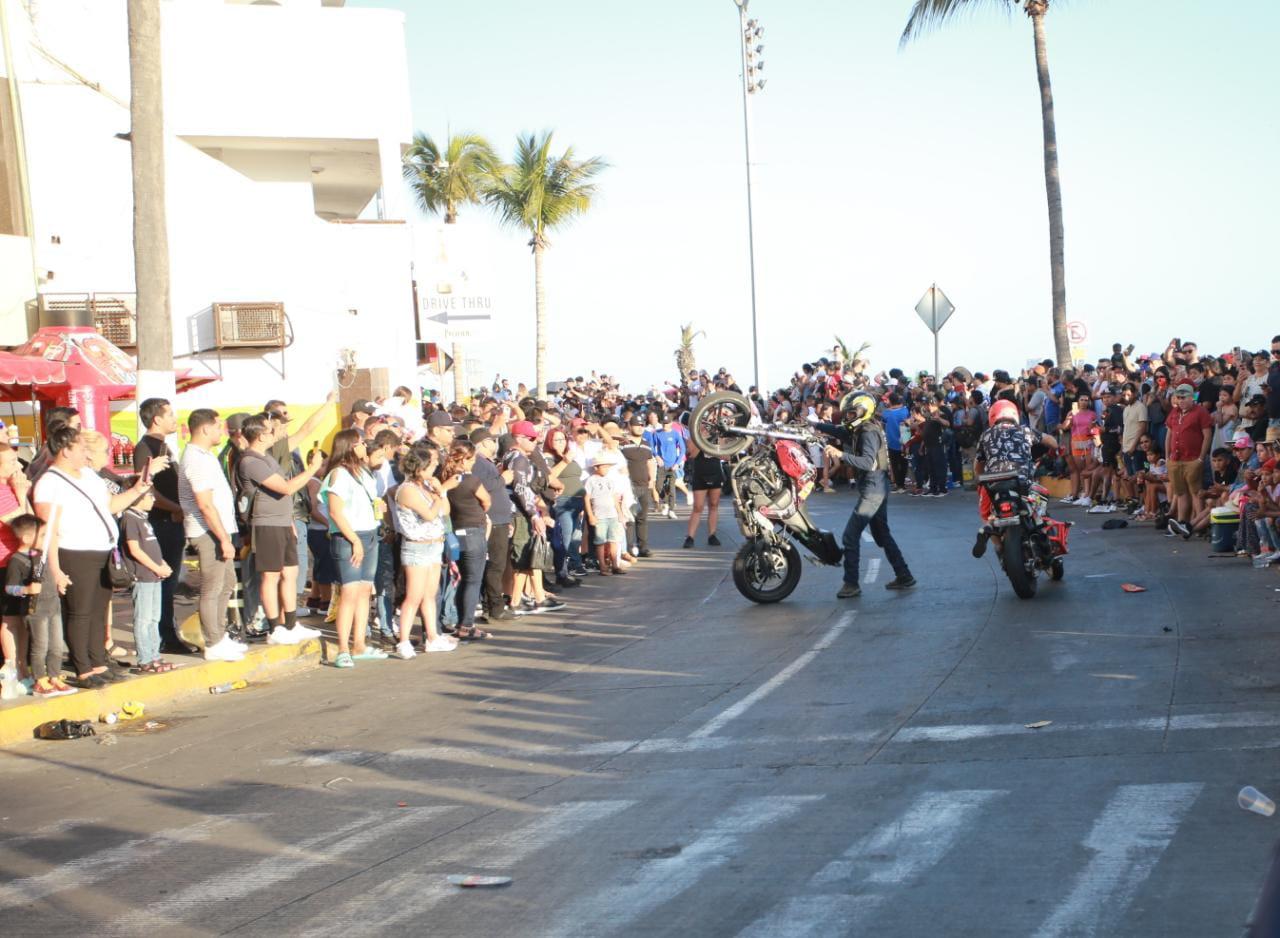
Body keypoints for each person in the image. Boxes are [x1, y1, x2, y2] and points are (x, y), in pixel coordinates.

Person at [34, 426, 157, 688]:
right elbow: (49, 531)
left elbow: (110, 505)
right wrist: (55, 570)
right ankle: (83, 668)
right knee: (80, 611)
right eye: (80, 448)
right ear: (65, 450)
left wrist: (137, 491)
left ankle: (98, 661)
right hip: (74, 552)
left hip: (103, 550)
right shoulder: (50, 483)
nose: (85, 453)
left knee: (99, 610)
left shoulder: (89, 476)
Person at [236, 414, 324, 645]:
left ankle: (291, 624)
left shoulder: (266, 457)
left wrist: (290, 522)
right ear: (260, 435)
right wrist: (313, 469)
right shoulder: (250, 461)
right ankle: (275, 628)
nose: (274, 432)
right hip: (266, 524)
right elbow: (285, 487)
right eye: (269, 429)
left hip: (283, 522)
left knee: (291, 573)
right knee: (271, 575)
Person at [820, 392, 916, 598]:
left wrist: (840, 455)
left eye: (851, 413)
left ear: (863, 412)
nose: (847, 417)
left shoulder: (868, 432)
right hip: (875, 485)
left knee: (850, 535)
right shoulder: (859, 429)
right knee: (882, 534)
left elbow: (867, 462)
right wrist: (814, 426)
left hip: (873, 487)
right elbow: (838, 430)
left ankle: (851, 583)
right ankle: (904, 574)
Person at [178, 409, 248, 661]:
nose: (223, 431)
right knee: (213, 587)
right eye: (219, 426)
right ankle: (213, 641)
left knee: (227, 583)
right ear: (205, 429)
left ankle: (220, 636)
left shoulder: (205, 456)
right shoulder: (195, 459)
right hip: (207, 531)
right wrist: (222, 538)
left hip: (219, 530)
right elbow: (205, 504)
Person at [320, 430, 390, 668]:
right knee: (349, 592)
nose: (364, 447)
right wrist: (354, 540)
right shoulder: (338, 474)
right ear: (349, 446)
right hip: (349, 536)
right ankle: (342, 647)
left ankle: (359, 644)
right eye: (360, 444)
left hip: (370, 533)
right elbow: (335, 512)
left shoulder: (363, 472)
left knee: (364, 591)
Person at [970, 399, 1059, 558]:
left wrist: (979, 479)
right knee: (1039, 504)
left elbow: (978, 464)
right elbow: (1051, 441)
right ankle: (1040, 528)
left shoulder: (986, 434)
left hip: (993, 482)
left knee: (986, 514)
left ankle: (997, 544)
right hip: (1021, 479)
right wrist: (1057, 450)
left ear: (993, 416)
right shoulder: (1025, 430)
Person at [132, 398, 185, 651]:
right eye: (170, 414)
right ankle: (165, 637)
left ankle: (169, 632)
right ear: (157, 419)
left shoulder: (164, 446)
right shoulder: (145, 448)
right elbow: (145, 488)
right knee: (164, 581)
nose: (175, 418)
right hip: (161, 524)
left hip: (173, 522)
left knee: (170, 581)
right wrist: (175, 508)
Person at [393, 446, 457, 657]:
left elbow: (445, 511)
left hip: (434, 544)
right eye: (431, 464)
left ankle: (432, 637)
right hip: (416, 547)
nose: (435, 467)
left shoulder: (426, 486)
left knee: (430, 594)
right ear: (420, 467)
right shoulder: (407, 489)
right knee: (413, 596)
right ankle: (403, 641)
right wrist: (439, 495)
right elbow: (429, 514)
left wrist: (441, 492)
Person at [4, 514, 72, 697]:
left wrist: (59, 582)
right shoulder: (17, 560)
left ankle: (54, 676)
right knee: (40, 645)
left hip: (53, 606)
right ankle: (40, 679)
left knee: (57, 644)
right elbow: (10, 588)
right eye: (42, 535)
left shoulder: (40, 555)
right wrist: (26, 589)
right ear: (26, 538)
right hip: (36, 610)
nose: (45, 540)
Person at [121, 487, 176, 674]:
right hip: (143, 576)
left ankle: (154, 655)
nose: (153, 499)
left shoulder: (143, 518)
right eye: (150, 495)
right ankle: (145, 659)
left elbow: (152, 547)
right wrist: (156, 567)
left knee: (154, 617)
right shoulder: (130, 518)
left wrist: (162, 564)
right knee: (144, 619)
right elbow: (135, 549)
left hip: (153, 575)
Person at [444, 439, 492, 640]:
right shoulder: (471, 480)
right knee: (473, 580)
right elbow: (487, 500)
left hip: (457, 529)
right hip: (473, 531)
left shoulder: (445, 478)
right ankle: (467, 625)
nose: (473, 463)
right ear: (463, 459)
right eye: (471, 459)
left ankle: (460, 622)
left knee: (462, 578)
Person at [471, 428, 515, 622]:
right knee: (495, 566)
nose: (494, 445)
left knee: (498, 564)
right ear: (483, 443)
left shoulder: (486, 462)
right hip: (493, 521)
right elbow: (483, 486)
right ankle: (495, 606)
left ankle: (493, 604)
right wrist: (503, 479)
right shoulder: (479, 463)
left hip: (500, 519)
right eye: (491, 441)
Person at [1164, 383, 1213, 538]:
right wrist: (1167, 456)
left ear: (1192, 397)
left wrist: (1201, 458)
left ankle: (1198, 526)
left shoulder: (1200, 411)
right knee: (1181, 492)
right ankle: (1181, 523)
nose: (1181, 400)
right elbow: (1169, 435)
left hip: (1193, 458)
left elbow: (1207, 435)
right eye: (1179, 397)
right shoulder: (1174, 412)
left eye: (1184, 397)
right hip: (1175, 459)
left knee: (1196, 492)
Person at [584, 452, 626, 575]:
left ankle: (615, 565)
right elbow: (587, 498)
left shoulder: (610, 480)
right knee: (600, 541)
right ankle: (602, 566)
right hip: (599, 516)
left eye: (608, 467)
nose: (606, 469)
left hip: (612, 514)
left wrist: (620, 513)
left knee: (614, 540)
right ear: (596, 467)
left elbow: (614, 498)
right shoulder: (591, 480)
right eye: (604, 466)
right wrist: (590, 515)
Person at [621, 417, 657, 558]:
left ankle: (643, 547)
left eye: (642, 425)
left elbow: (650, 462)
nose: (640, 427)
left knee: (642, 518)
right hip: (629, 487)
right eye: (637, 425)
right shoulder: (623, 444)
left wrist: (652, 480)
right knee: (629, 519)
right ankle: (629, 548)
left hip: (644, 486)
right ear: (630, 426)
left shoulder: (647, 444)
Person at [683, 439, 724, 549]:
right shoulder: (694, 436)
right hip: (700, 473)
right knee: (698, 507)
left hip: (715, 472)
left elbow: (726, 457)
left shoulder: (718, 435)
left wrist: (719, 442)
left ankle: (712, 535)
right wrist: (701, 438)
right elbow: (692, 454)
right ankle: (690, 537)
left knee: (714, 505)